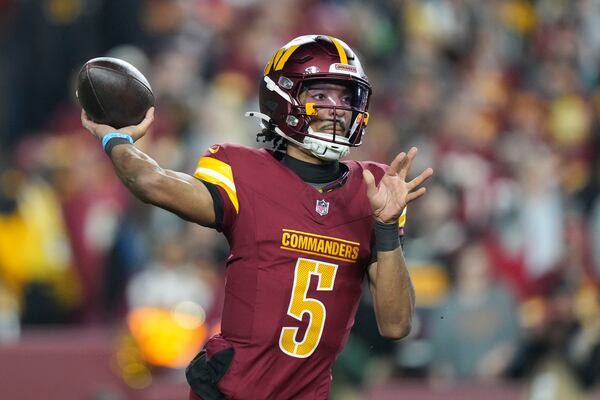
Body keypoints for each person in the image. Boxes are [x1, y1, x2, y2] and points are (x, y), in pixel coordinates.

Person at [81, 34, 433, 400]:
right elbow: (150, 181)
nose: (337, 109)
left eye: (347, 98)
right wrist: (117, 140)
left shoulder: (372, 189)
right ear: (283, 97)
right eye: (320, 95)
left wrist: (387, 227)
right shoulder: (242, 171)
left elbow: (396, 325)